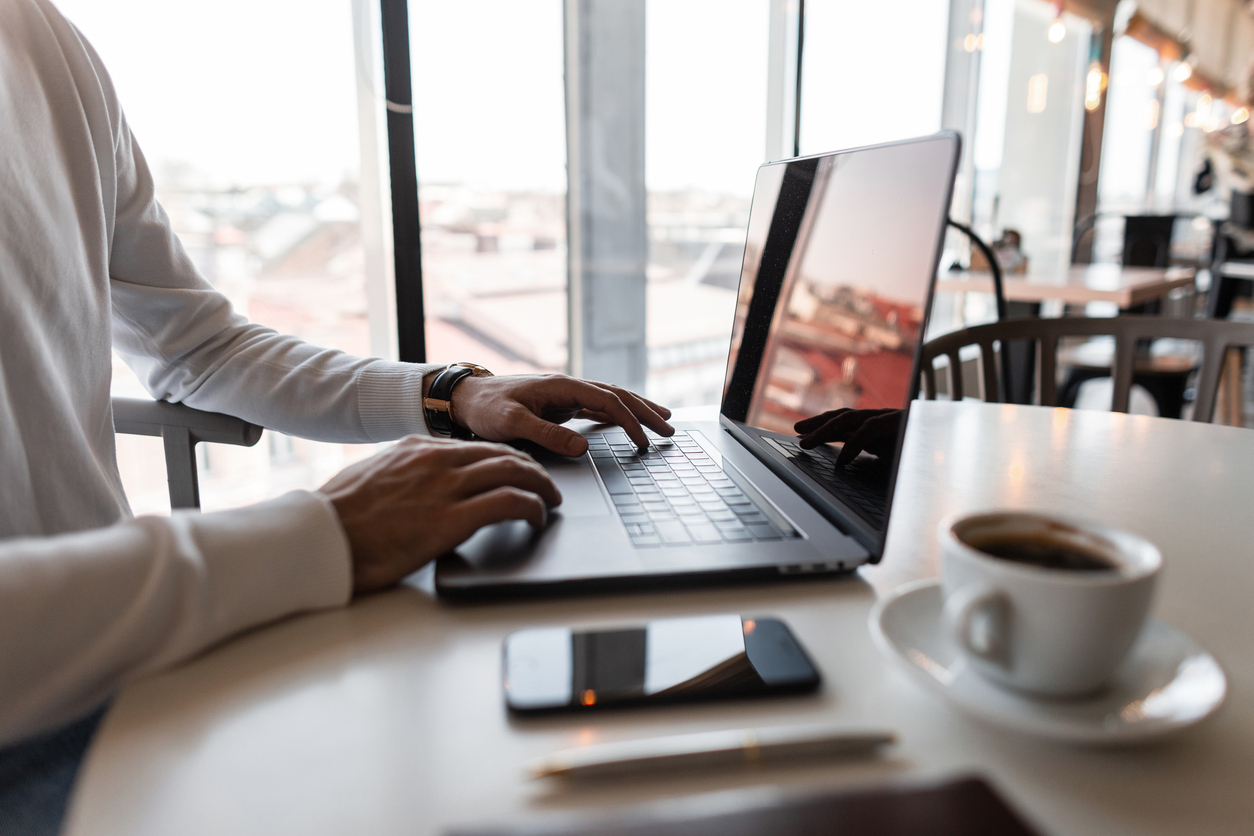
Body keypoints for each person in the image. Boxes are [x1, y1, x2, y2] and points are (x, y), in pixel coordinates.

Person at [0, 0, 672, 815]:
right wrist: (323, 535)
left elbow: (194, 348)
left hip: (130, 656)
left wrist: (454, 394)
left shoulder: (42, 41)